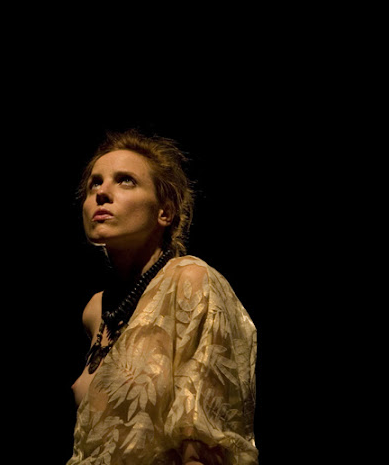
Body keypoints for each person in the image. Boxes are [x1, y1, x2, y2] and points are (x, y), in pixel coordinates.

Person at [68, 130, 258, 465]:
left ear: (164, 212)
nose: (102, 193)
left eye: (125, 181)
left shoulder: (190, 279)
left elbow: (205, 437)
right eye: (94, 183)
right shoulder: (95, 310)